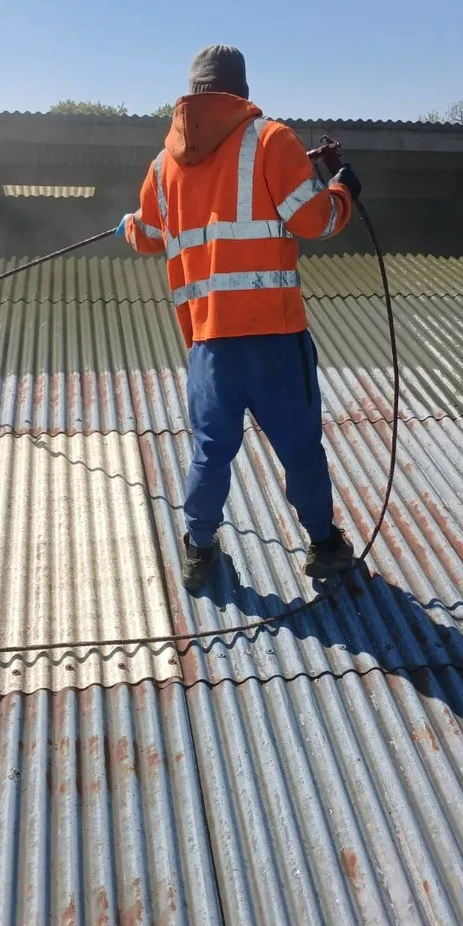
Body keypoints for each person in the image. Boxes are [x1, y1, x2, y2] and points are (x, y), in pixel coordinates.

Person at [116, 44, 362, 591]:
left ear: (192, 94)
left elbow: (149, 237)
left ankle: (199, 551)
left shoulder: (162, 166)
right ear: (241, 91)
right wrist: (343, 191)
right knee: (299, 448)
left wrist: (128, 226)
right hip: (275, 339)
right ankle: (325, 547)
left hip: (209, 344)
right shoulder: (271, 139)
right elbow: (313, 220)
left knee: (210, 452)